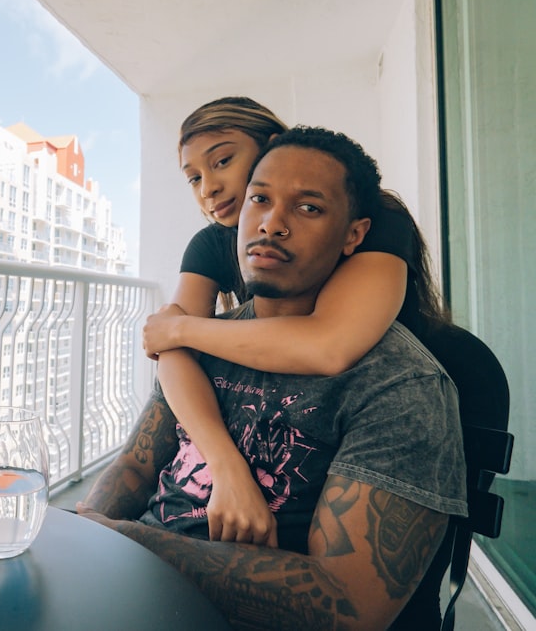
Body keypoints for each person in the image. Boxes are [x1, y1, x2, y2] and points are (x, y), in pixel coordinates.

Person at [77, 128, 467, 630]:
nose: (272, 223)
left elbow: (347, 606)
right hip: (125, 590)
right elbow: (135, 462)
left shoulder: (401, 384)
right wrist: (81, 540)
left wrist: (120, 541)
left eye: (308, 208)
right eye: (259, 199)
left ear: (354, 235)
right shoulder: (209, 341)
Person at [141, 97, 449, 547]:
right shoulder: (213, 243)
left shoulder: (377, 219)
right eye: (194, 178)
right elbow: (172, 356)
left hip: (365, 419)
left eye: (223, 161)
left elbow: (330, 345)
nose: (208, 187)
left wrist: (180, 328)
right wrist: (225, 465)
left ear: (272, 148)